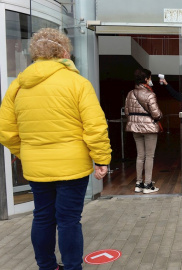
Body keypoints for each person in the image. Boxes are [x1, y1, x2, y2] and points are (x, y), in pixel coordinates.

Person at [0, 28, 112, 270]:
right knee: (69, 220)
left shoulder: (18, 86)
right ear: (63, 52)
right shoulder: (77, 83)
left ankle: (47, 266)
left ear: (35, 54)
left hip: (36, 167)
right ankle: (72, 267)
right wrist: (101, 160)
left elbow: (7, 132)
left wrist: (27, 154)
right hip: (72, 166)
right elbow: (95, 126)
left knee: (42, 217)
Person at [125, 68, 163, 194]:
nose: (151, 80)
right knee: (149, 156)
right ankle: (148, 185)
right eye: (150, 78)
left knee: (140, 155)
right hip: (149, 128)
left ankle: (138, 183)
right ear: (146, 79)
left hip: (135, 128)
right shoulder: (150, 94)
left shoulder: (130, 93)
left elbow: (127, 112)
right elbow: (156, 114)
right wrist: (160, 115)